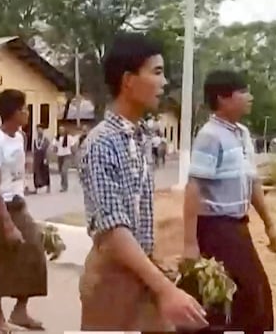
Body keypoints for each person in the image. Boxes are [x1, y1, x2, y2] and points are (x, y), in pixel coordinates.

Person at [78, 33, 206, 331]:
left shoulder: (140, 136)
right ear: (128, 80)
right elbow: (113, 232)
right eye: (157, 72)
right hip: (112, 282)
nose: (164, 83)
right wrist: (165, 289)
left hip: (140, 274)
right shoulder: (101, 143)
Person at [184, 70, 276, 333]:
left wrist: (270, 225)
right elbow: (194, 187)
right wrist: (190, 243)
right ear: (223, 98)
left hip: (239, 227)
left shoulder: (242, 134)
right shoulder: (210, 136)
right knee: (233, 295)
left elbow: (252, 182)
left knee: (249, 297)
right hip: (216, 229)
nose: (250, 97)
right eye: (243, 91)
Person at [0, 90, 47, 333]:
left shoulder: (19, 136)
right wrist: (7, 224)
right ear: (14, 112)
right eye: (25, 109)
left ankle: (20, 310)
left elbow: (17, 176)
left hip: (18, 204)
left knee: (35, 252)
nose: (27, 113)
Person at [53, 125, 77, 192]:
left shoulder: (69, 138)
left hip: (67, 155)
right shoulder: (56, 138)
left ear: (65, 130)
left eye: (62, 129)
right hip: (60, 156)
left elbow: (73, 147)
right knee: (61, 171)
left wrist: (74, 156)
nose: (61, 131)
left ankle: (65, 186)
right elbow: (55, 148)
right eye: (59, 129)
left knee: (64, 171)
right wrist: (54, 149)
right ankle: (63, 184)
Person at [31, 124, 51, 194]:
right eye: (38, 130)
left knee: (45, 172)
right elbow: (34, 149)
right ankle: (36, 187)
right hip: (37, 158)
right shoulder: (35, 140)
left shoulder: (46, 139)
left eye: (40, 129)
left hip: (44, 157)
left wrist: (46, 158)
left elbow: (47, 149)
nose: (39, 131)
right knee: (36, 172)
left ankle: (48, 186)